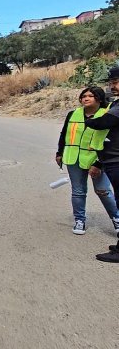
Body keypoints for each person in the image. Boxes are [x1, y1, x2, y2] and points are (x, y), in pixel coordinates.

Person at [55, 86, 119, 235]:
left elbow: (108, 141)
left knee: (103, 191)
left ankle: (116, 218)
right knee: (78, 191)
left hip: (96, 159)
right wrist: (60, 152)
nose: (86, 98)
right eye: (84, 96)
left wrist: (98, 164)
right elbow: (64, 134)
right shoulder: (73, 114)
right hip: (73, 157)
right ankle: (80, 220)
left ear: (99, 98)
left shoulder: (107, 116)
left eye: (91, 96)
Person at [85, 66, 119, 263]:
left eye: (115, 82)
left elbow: (103, 123)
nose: (112, 86)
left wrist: (90, 119)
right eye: (111, 83)